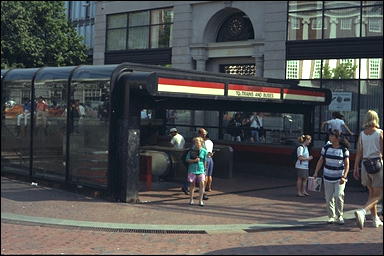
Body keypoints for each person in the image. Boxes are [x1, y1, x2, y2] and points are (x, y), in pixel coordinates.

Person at [353, 110, 383, 229]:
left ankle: (375, 219)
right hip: (377, 165)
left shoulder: (362, 134)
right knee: (379, 195)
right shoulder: (380, 132)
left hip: (365, 165)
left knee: (371, 193)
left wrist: (356, 167)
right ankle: (363, 211)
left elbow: (359, 152)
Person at [313, 130, 350, 225]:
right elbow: (321, 160)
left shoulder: (344, 150)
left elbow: (347, 164)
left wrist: (344, 176)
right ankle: (331, 216)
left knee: (339, 195)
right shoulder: (326, 147)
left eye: (331, 135)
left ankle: (340, 215)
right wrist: (316, 172)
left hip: (339, 177)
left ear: (337, 137)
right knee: (328, 197)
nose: (330, 137)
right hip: (327, 176)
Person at [186, 136, 208, 206]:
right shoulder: (191, 151)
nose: (196, 143)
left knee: (202, 183)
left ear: (201, 142)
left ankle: (200, 200)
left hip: (201, 169)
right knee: (192, 185)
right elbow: (187, 159)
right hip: (192, 169)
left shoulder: (204, 151)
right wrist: (194, 160)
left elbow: (205, 161)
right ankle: (191, 200)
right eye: (195, 142)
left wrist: (205, 170)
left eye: (197, 142)